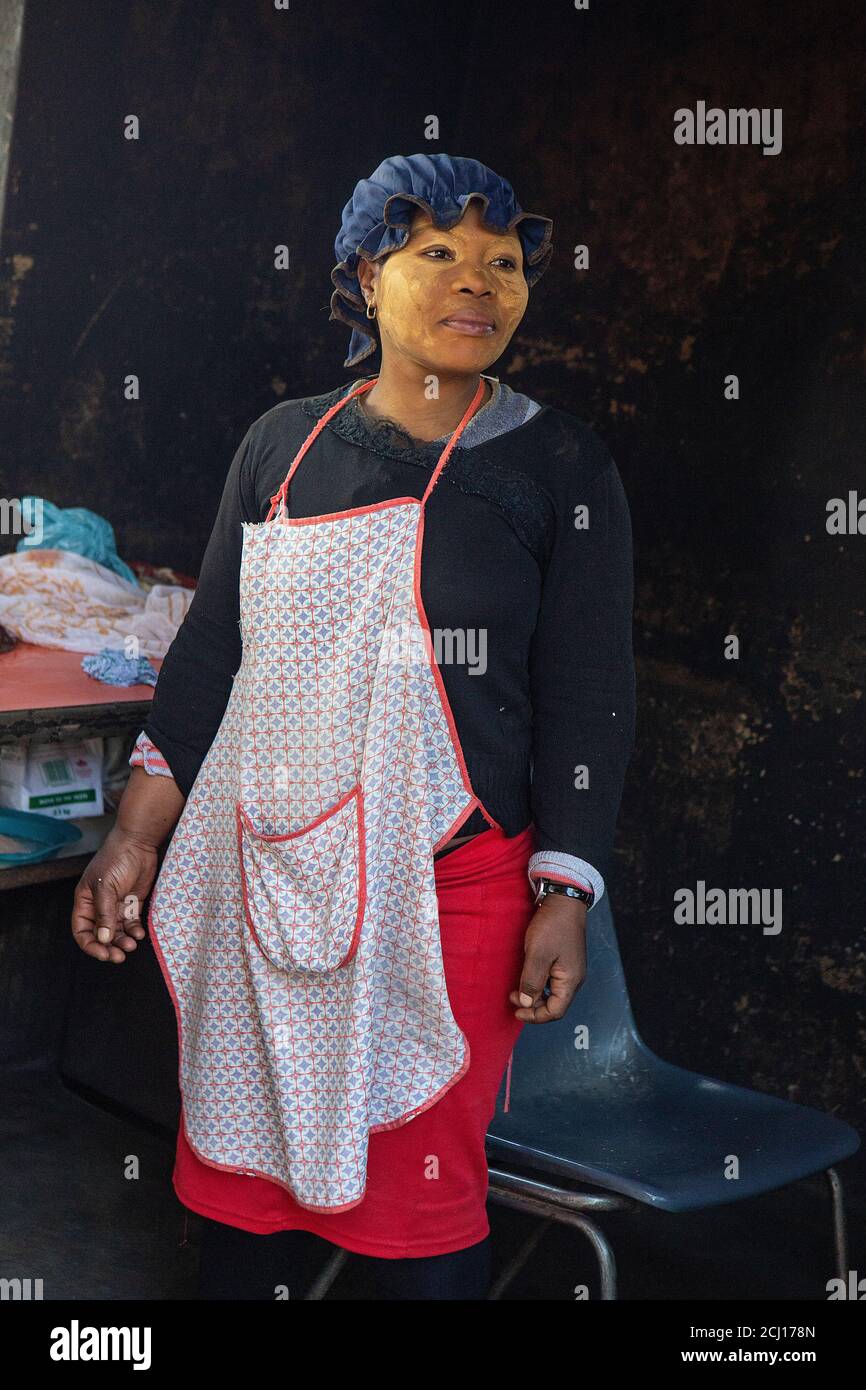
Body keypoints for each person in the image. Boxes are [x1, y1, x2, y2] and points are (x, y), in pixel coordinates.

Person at [70, 153, 636, 1301]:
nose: (477, 282)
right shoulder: (280, 444)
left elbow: (586, 689)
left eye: (503, 261)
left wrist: (564, 888)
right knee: (241, 1202)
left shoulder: (555, 464)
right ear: (366, 274)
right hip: (262, 879)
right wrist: (135, 835)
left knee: (421, 1215)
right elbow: (213, 653)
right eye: (438, 253)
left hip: (452, 895)